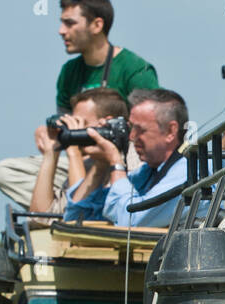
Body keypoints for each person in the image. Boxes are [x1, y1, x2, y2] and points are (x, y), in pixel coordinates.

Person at [0, 0, 158, 209]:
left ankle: (64, 205)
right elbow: (67, 129)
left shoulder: (135, 69)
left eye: (69, 23)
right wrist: (54, 134)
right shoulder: (69, 72)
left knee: (138, 163)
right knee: (5, 172)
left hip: (122, 157)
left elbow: (150, 132)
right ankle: (74, 203)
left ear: (97, 25)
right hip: (79, 157)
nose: (61, 31)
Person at [64, 88, 189, 227]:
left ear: (170, 131)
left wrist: (115, 162)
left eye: (140, 129)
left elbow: (132, 221)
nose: (131, 136)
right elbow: (76, 219)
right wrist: (100, 165)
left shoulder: (186, 173)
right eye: (130, 128)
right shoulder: (145, 174)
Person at [28, 88, 137, 217]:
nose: (74, 129)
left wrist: (72, 148)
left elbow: (77, 218)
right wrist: (51, 153)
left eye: (81, 123)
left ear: (107, 122)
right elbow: (40, 218)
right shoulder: (90, 162)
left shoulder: (134, 157)